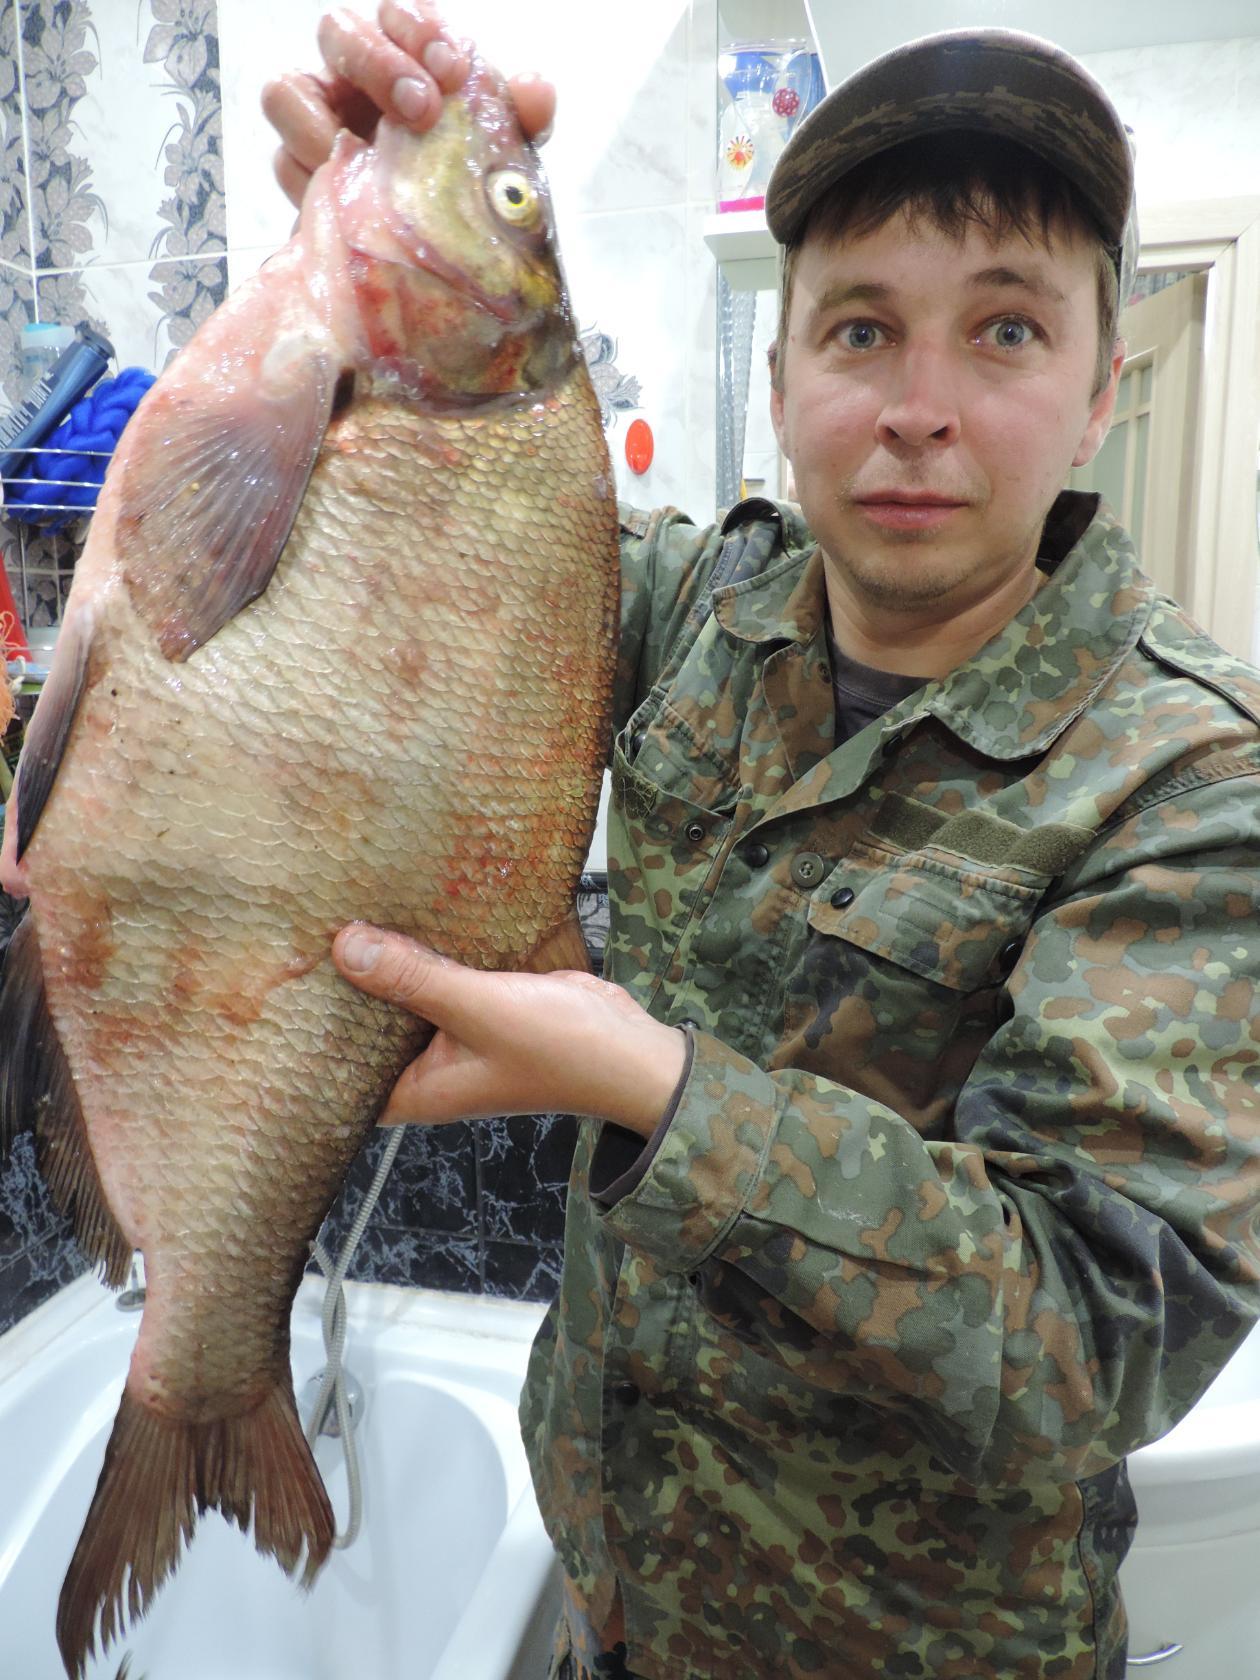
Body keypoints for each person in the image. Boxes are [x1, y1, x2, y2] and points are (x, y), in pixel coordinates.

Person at [266, 12, 1260, 1678]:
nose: (920, 410)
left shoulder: (1190, 778)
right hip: (609, 1601)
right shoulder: (696, 607)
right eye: (862, 329)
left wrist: (658, 1093)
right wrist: (390, 268)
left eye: (1006, 330)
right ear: (783, 379)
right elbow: (443, 527)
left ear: (1101, 391)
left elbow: (1094, 1331)